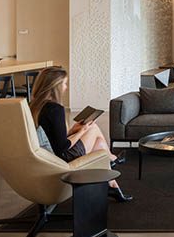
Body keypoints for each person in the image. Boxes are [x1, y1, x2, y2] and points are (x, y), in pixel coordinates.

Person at [29, 66, 132, 202]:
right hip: (63, 158)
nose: (66, 87)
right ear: (56, 86)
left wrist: (73, 131)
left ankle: (112, 183)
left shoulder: (34, 106)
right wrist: (82, 131)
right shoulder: (55, 110)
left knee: (99, 145)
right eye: (65, 84)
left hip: (47, 155)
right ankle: (112, 159)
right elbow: (63, 147)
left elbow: (53, 138)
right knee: (93, 128)